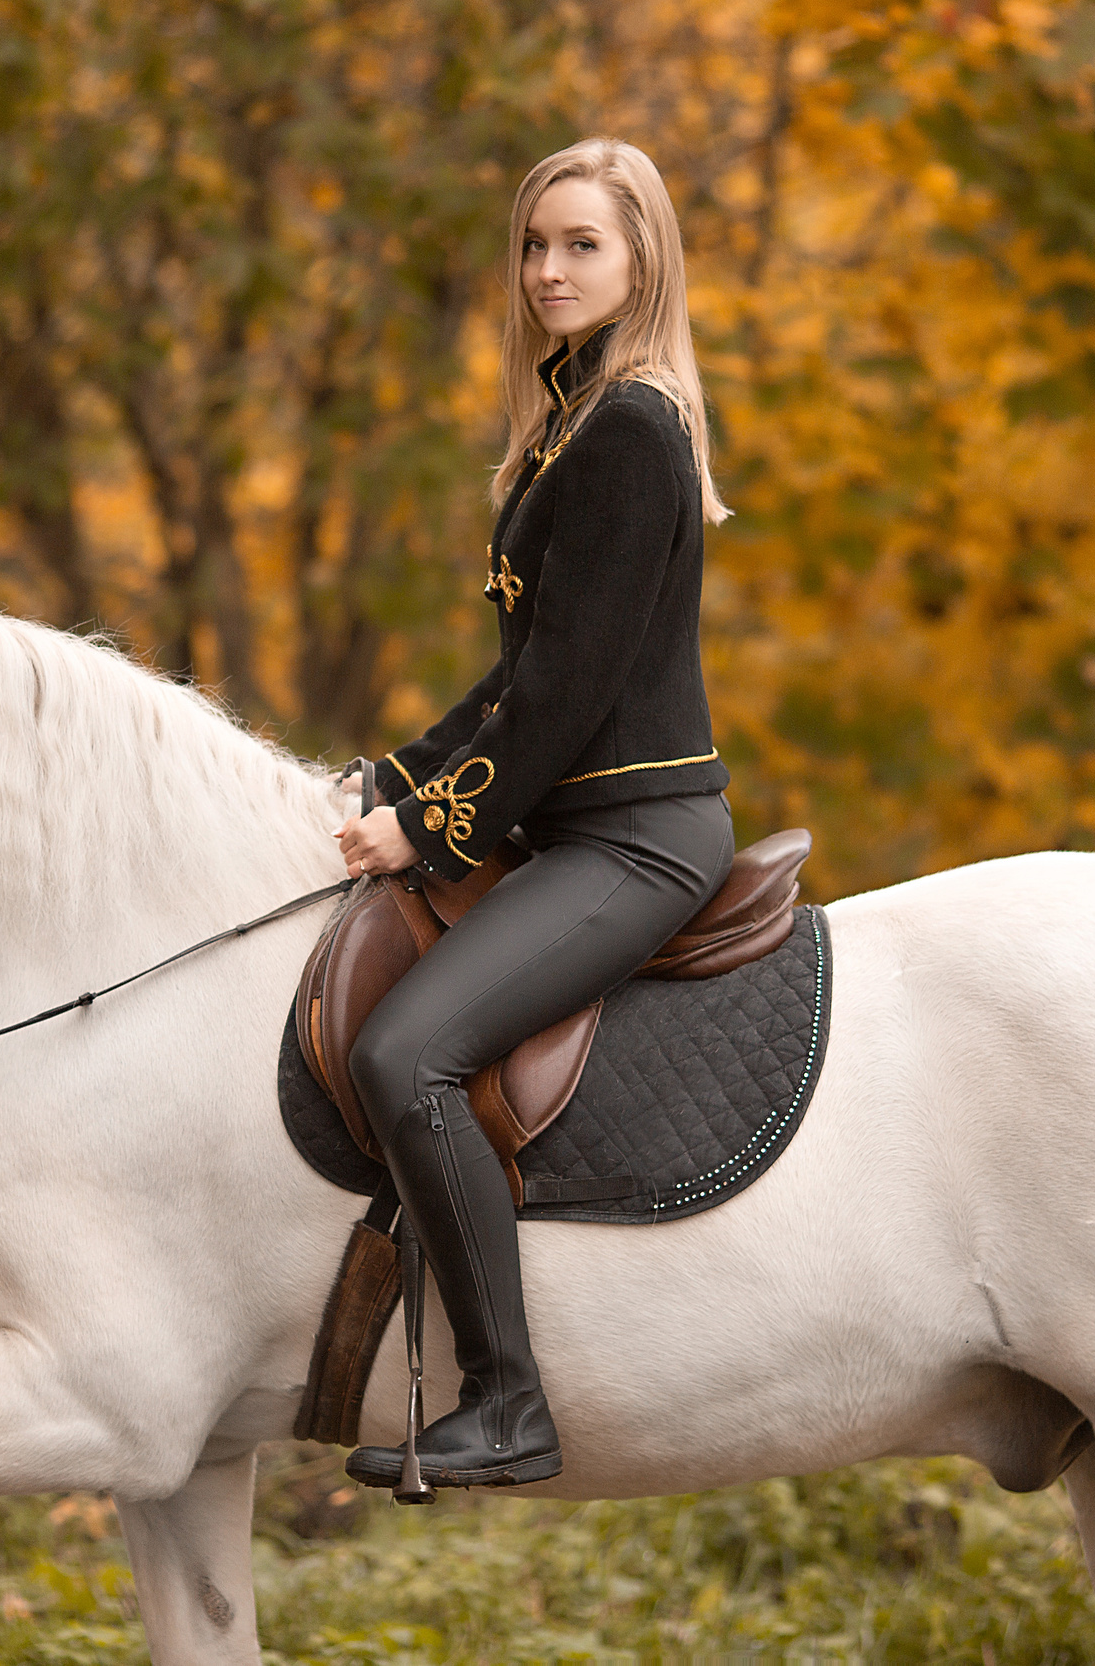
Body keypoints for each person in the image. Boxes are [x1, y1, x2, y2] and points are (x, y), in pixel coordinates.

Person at [334, 138, 735, 1490]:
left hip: (637, 838)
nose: (549, 271)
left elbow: (563, 701)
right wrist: (390, 776)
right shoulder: (571, 421)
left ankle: (508, 1401)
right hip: (577, 826)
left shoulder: (627, 428)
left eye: (583, 246)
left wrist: (432, 830)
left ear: (642, 263)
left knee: (406, 1056)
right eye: (535, 245)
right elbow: (518, 678)